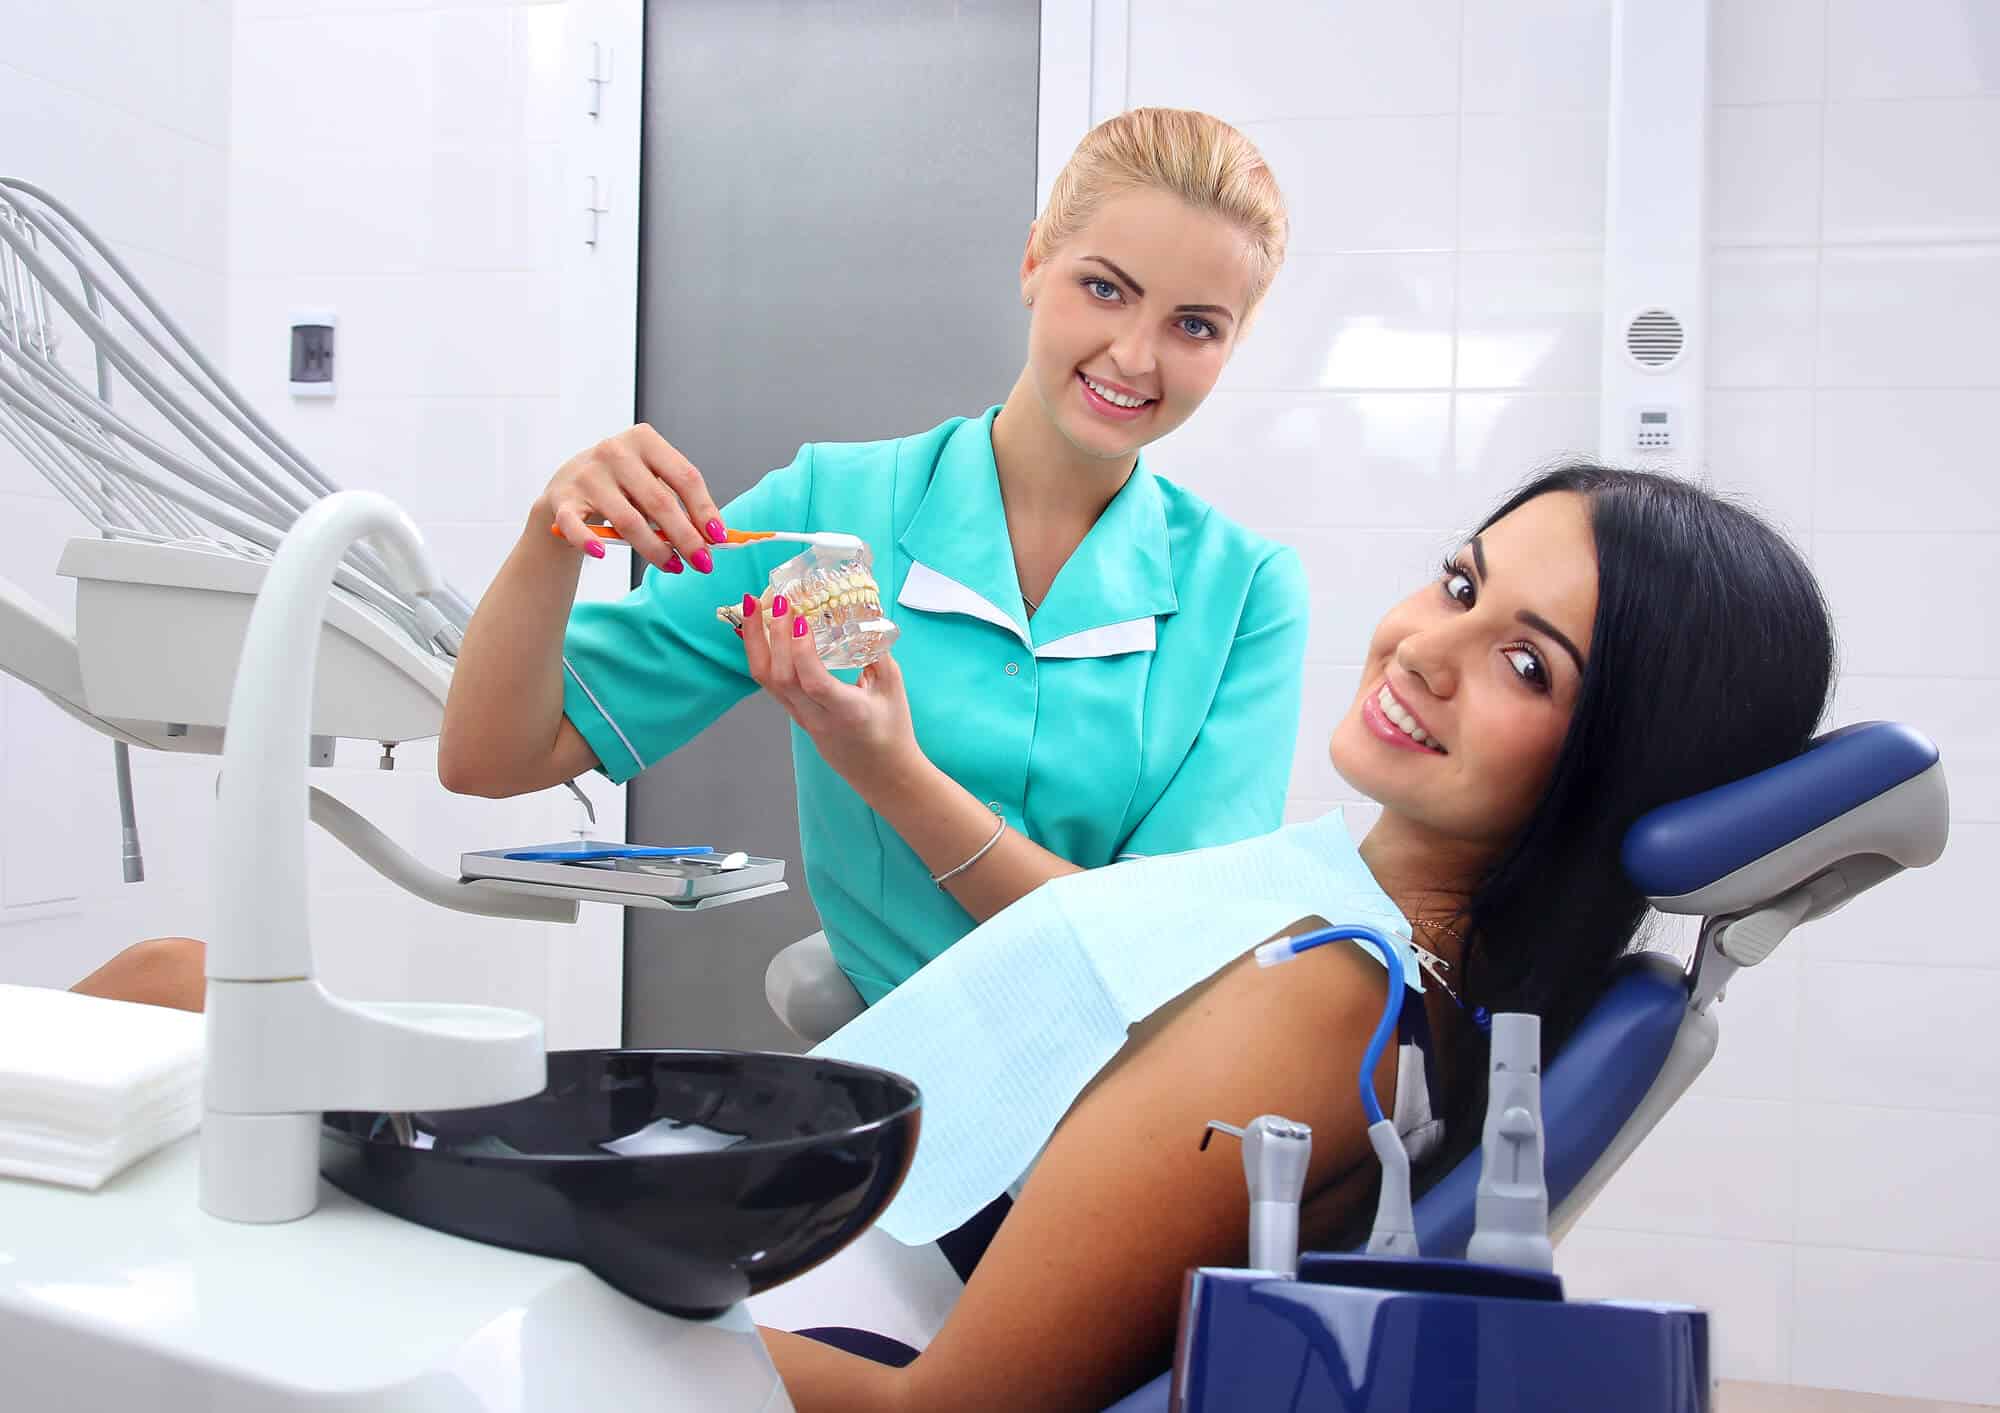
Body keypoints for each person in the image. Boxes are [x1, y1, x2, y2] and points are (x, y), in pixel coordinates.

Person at [756, 466, 1837, 1411]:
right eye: (1461, 585)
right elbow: (1108, 940)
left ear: (1621, 767)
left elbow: (940, 1410)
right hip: (794, 1254)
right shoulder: (1373, 942)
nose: (1423, 648)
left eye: (1526, 666)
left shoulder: (1320, 1002)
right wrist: (884, 764)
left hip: (811, 1319)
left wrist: (590, 1305)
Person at [436, 108, 1305, 1004]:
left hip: (1135, 1093)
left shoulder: (1247, 595)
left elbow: (1163, 953)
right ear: (1035, 261)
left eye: (1195, 326)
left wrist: (889, 773)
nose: (1134, 355)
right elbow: (489, 757)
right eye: (1106, 289)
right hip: (897, 1086)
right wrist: (554, 533)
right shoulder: (826, 512)